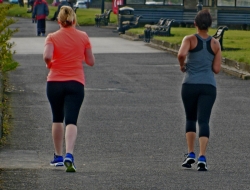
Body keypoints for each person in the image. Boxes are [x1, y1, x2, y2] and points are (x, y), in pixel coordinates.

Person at [43, 5, 95, 172]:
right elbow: (90, 61)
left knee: (57, 117)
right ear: (74, 20)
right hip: (75, 83)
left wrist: (49, 64)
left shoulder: (52, 37)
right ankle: (69, 154)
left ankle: (58, 156)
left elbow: (47, 56)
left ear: (59, 21)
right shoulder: (83, 36)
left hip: (54, 82)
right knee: (71, 120)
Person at [177, 9, 221, 171]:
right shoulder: (215, 44)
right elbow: (216, 69)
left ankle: (190, 154)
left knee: (190, 118)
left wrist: (183, 66)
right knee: (204, 121)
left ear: (195, 23)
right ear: (210, 25)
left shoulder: (189, 39)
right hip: (208, 86)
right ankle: (202, 157)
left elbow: (181, 54)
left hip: (189, 84)